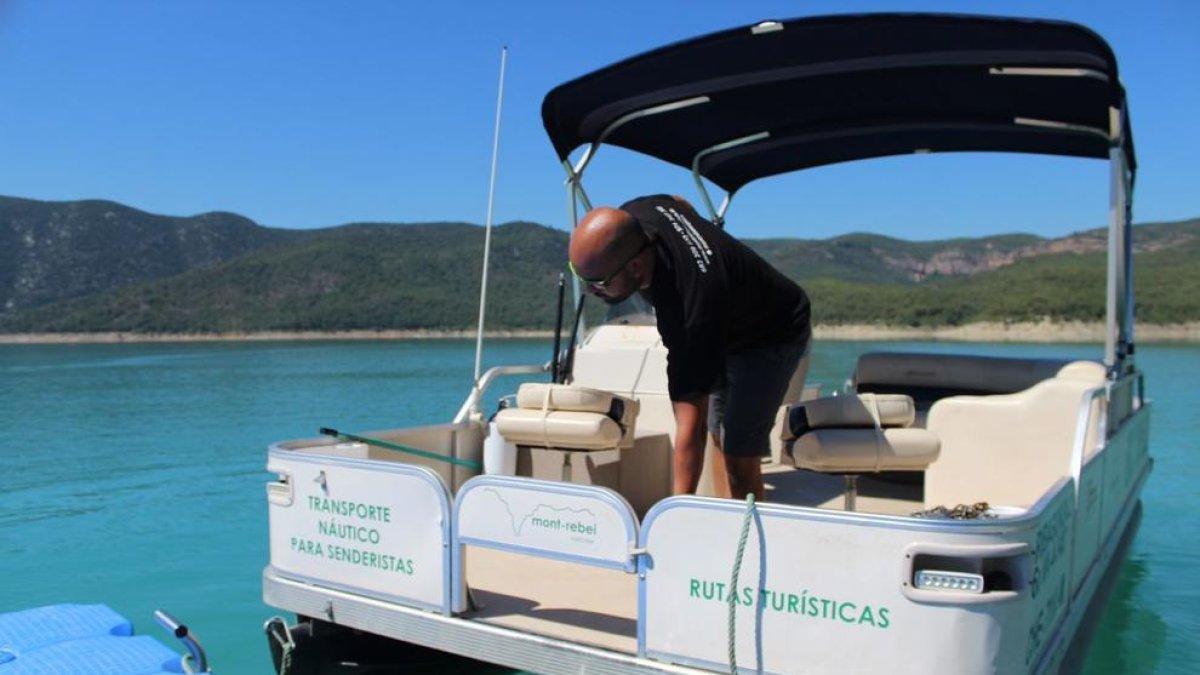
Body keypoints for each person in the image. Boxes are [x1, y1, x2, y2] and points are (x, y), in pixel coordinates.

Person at [567, 194, 811, 500]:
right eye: (581, 277)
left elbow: (689, 430)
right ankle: (727, 520)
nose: (590, 291)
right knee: (719, 434)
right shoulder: (637, 212)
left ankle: (747, 542)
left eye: (599, 282)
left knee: (738, 450)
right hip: (724, 322)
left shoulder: (686, 311)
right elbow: (677, 201)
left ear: (637, 266)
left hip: (773, 330)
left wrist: (671, 517)